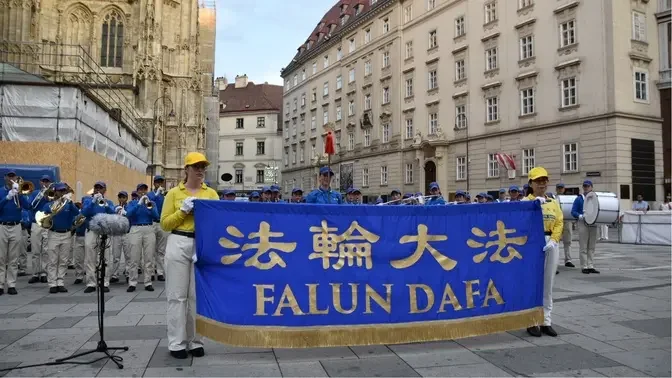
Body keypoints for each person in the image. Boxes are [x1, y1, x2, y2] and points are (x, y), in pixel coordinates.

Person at [161, 152, 219, 359]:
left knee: (196, 296)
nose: (200, 170)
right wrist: (182, 211)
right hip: (179, 240)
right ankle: (176, 342)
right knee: (177, 295)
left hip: (201, 243)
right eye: (196, 166)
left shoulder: (211, 194)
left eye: (203, 166)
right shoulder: (174, 194)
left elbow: (217, 223)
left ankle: (196, 341)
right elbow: (165, 224)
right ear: (186, 169)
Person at [523, 167, 562, 337]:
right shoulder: (525, 202)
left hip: (550, 243)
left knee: (548, 285)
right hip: (532, 244)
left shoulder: (553, 202)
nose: (542, 184)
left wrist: (554, 240)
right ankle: (531, 321)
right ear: (530, 183)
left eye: (544, 180)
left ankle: (546, 320)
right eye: (538, 181)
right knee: (532, 283)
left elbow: (559, 222)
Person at [41, 183, 78, 293]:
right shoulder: (49, 205)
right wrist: (56, 206)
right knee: (52, 260)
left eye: (63, 191)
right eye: (60, 191)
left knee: (63, 260)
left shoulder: (68, 205)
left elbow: (77, 213)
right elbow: (44, 217)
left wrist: (71, 203)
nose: (62, 193)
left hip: (66, 234)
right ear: (55, 191)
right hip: (54, 233)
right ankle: (52, 283)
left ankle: (60, 282)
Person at [0, 171, 31, 295]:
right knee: (1, 257)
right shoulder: (1, 191)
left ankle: (11, 284)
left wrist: (20, 194)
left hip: (16, 226)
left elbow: (28, 206)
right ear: (5, 178)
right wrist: (6, 198)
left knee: (14, 258)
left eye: (13, 177)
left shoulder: (19, 192)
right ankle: (0, 284)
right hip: (2, 225)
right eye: (9, 176)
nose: (11, 178)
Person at [81, 181, 116, 293]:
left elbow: (113, 213)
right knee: (90, 257)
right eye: (96, 188)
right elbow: (84, 213)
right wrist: (93, 201)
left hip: (104, 231)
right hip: (92, 231)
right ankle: (91, 283)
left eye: (100, 188)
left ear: (104, 190)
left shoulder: (108, 202)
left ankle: (104, 282)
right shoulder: (87, 201)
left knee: (105, 257)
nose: (98, 190)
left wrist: (105, 204)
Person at [126, 184, 159, 292]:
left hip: (149, 228)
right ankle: (132, 282)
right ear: (137, 191)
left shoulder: (151, 203)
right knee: (134, 257)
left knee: (149, 257)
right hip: (135, 228)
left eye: (144, 190)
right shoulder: (132, 203)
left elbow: (156, 216)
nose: (142, 192)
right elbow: (129, 214)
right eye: (140, 190)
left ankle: (148, 282)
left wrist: (149, 205)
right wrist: (139, 204)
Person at [28, 175, 52, 284]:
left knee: (46, 250)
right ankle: (35, 273)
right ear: (40, 182)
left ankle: (44, 273)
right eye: (43, 181)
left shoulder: (51, 193)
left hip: (46, 223)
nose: (45, 183)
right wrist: (40, 195)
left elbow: (52, 205)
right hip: (36, 223)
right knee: (35, 250)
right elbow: (31, 205)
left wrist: (47, 195)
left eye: (47, 182)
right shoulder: (35, 193)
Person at [571, 180, 600, 274]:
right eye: (584, 186)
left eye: (588, 186)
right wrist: (579, 216)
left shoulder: (596, 198)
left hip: (593, 224)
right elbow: (573, 211)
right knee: (583, 246)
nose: (586, 188)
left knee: (592, 246)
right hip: (583, 223)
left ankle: (591, 265)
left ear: (592, 187)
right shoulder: (579, 199)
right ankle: (584, 266)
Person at [148, 175, 168, 282]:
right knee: (150, 249)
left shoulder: (165, 195)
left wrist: (164, 196)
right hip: (152, 223)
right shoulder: (150, 194)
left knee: (161, 250)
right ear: (154, 183)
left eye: (161, 182)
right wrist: (156, 195)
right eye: (157, 182)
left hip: (162, 223)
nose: (159, 184)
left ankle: (160, 272)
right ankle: (150, 272)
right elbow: (149, 204)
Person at [555, 183, 574, 268]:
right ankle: (556, 260)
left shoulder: (567, 198)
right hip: (556, 222)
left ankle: (568, 259)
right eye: (558, 188)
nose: (560, 190)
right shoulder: (553, 198)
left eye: (561, 188)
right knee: (555, 242)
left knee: (568, 241)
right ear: (556, 189)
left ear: (564, 189)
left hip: (566, 220)